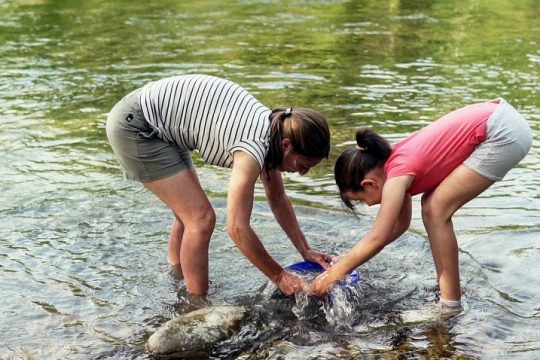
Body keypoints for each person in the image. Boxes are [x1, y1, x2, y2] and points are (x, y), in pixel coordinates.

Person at [106, 74, 333, 296]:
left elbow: (277, 198)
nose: (302, 173)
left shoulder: (274, 131)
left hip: (156, 122)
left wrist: (305, 250)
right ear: (287, 145)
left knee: (187, 215)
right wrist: (280, 276)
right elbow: (236, 228)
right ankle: (195, 305)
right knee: (200, 219)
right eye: (303, 165)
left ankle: (175, 278)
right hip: (138, 127)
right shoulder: (253, 147)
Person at [309, 98, 532, 311]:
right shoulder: (393, 166)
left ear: (369, 184)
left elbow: (377, 237)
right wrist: (347, 260)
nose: (367, 205)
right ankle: (447, 293)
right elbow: (400, 225)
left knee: (435, 210)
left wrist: (330, 277)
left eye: (360, 200)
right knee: (433, 206)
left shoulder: (396, 177)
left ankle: (450, 305)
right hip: (502, 120)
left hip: (503, 132)